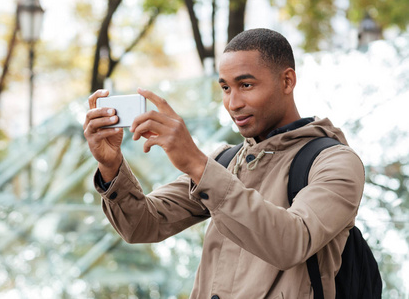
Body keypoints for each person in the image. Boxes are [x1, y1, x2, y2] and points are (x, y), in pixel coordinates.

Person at [83, 28, 364, 299]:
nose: (233, 102)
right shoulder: (226, 160)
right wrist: (111, 167)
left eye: (246, 85)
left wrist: (196, 163)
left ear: (287, 81)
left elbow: (291, 243)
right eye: (225, 88)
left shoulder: (336, 161)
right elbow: (143, 225)